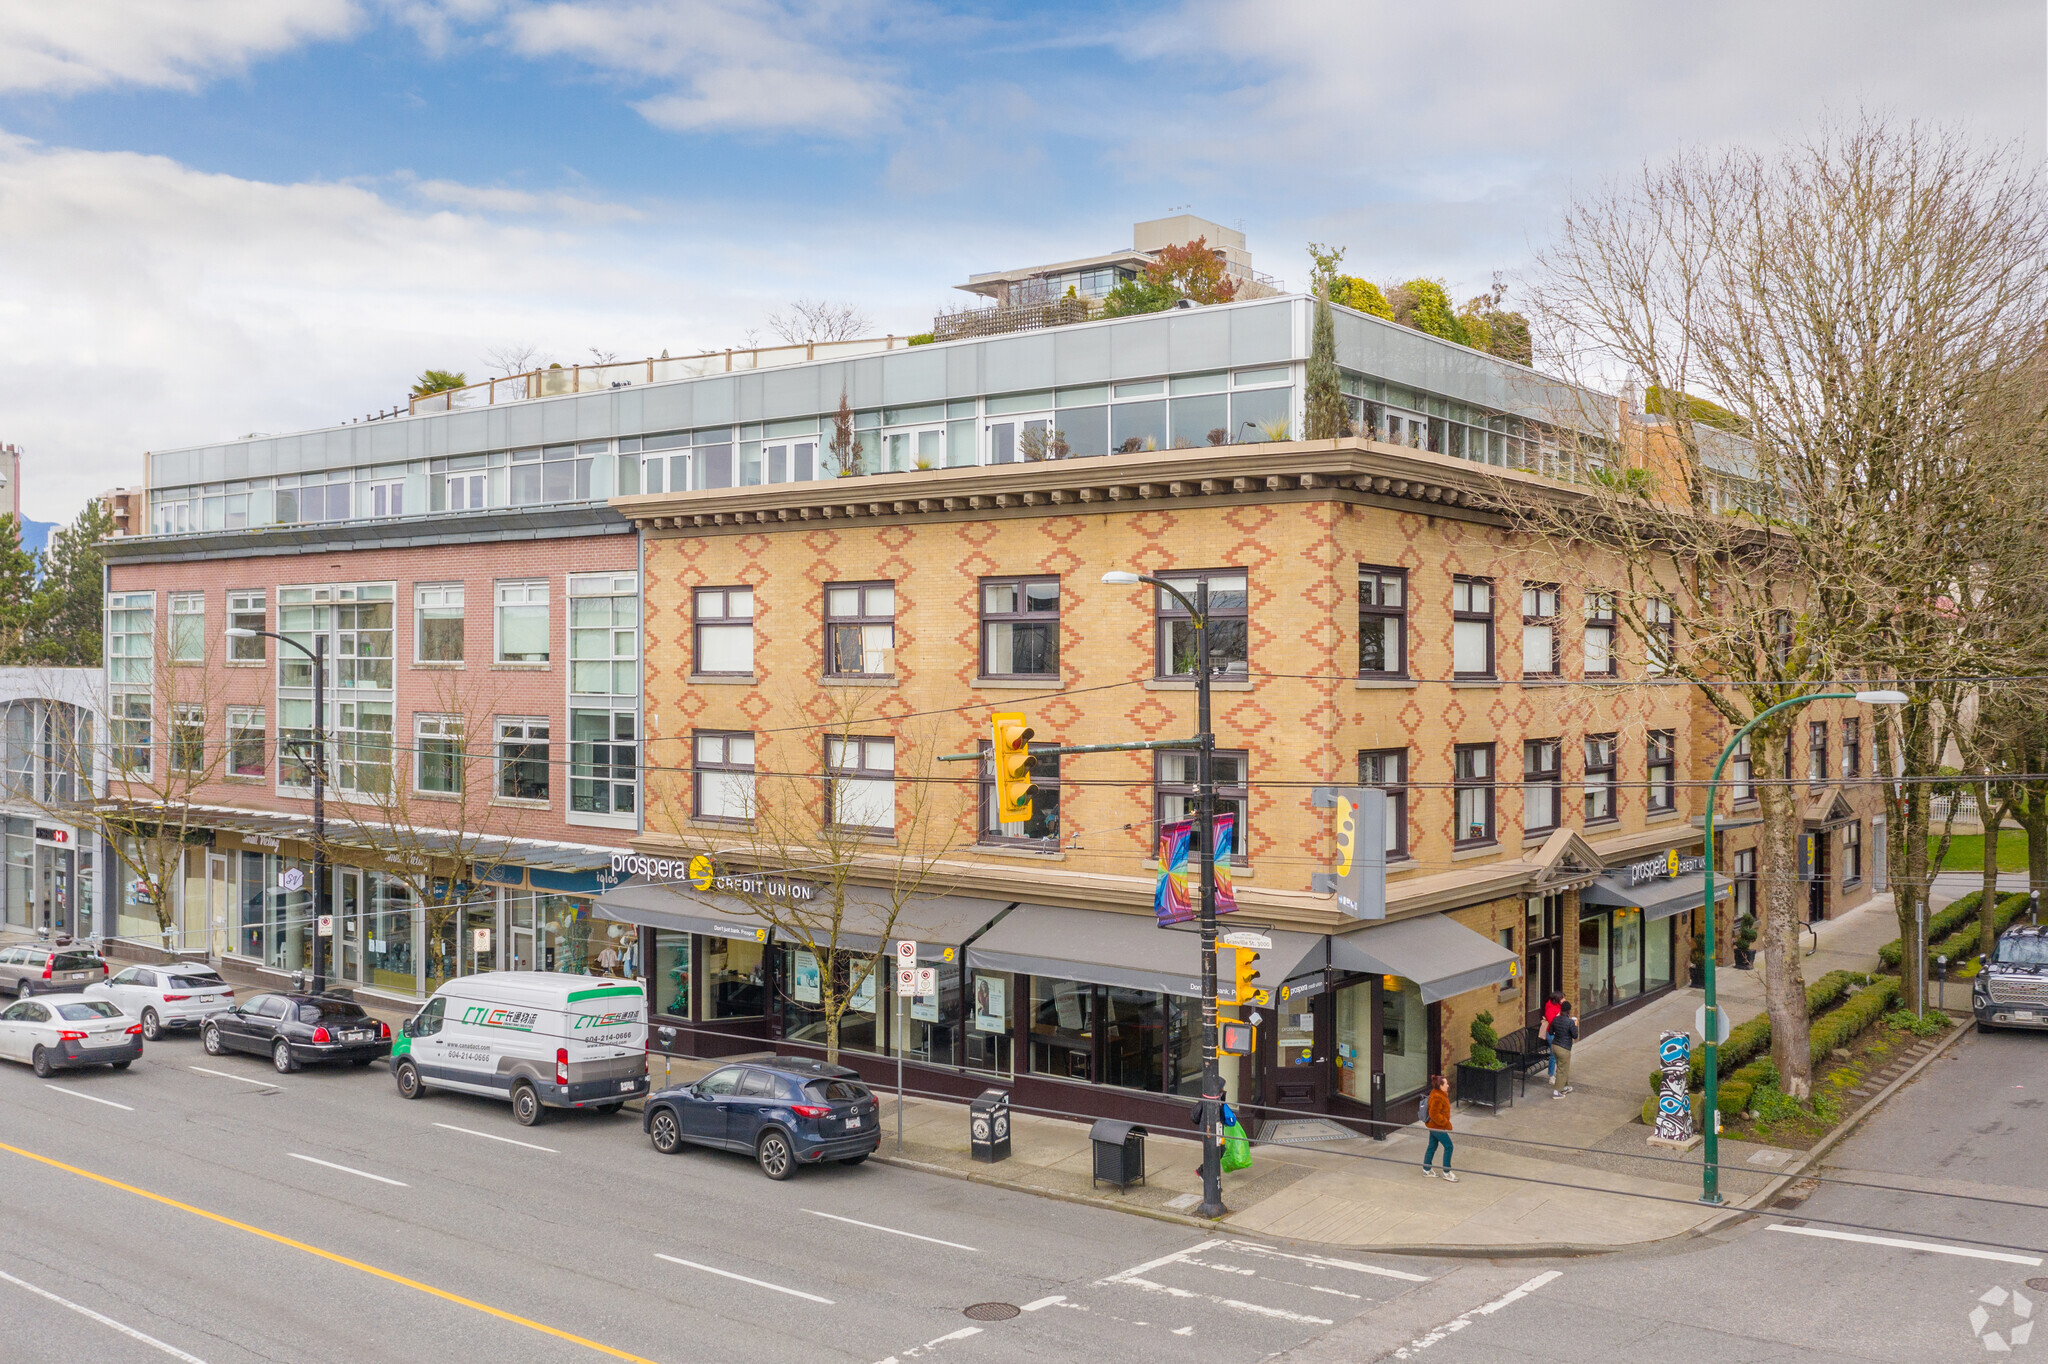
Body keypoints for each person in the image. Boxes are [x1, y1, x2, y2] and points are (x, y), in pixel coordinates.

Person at [1422, 1074, 1457, 1181]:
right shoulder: (1437, 1096)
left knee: (1432, 1146)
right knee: (1449, 1146)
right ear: (1440, 1086)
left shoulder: (1438, 1093)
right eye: (1446, 1084)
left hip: (1433, 1126)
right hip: (1437, 1127)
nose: (1448, 1085)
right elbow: (1434, 1113)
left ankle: (1426, 1169)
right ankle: (1446, 1172)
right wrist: (1446, 1123)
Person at [1549, 1000, 1578, 1096]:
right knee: (1562, 1069)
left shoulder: (1555, 1019)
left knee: (1561, 1067)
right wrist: (1575, 1025)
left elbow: (1550, 1032)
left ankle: (1565, 1086)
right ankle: (1556, 1092)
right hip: (1564, 1048)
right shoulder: (1570, 1022)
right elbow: (1575, 1035)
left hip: (1554, 1046)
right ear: (1569, 1011)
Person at [1538, 992, 1563, 1081]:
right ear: (1557, 1000)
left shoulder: (1559, 1007)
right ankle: (1551, 1075)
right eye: (1562, 998)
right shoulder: (1550, 1008)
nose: (1564, 1000)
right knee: (1553, 1054)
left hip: (1558, 1033)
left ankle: (1557, 1072)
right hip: (1552, 1034)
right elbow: (1552, 1021)